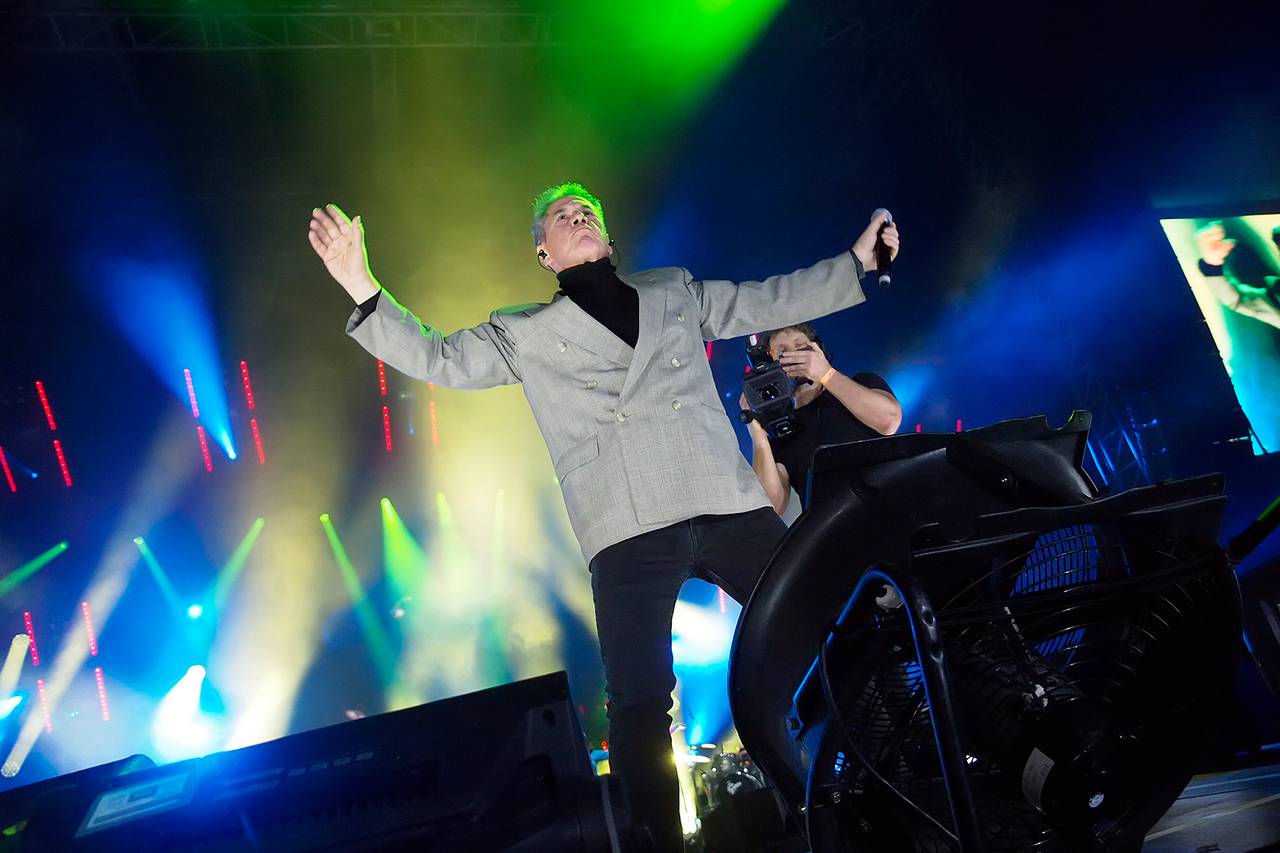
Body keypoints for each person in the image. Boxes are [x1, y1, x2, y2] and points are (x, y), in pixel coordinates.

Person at [307, 184, 900, 852]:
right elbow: (440, 357)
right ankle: (656, 842)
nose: (577, 216)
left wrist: (855, 263)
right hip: (625, 524)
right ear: (544, 252)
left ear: (609, 240)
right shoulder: (523, 330)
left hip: (722, 497)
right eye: (561, 216)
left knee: (826, 623)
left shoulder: (673, 289)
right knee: (639, 702)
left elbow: (766, 299)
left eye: (586, 210)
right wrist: (362, 286)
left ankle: (888, 781)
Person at [743, 324, 901, 515]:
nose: (794, 355)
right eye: (782, 352)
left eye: (801, 346)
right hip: (834, 526)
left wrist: (826, 374)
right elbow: (772, 506)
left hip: (889, 506)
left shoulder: (861, 383)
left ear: (818, 350)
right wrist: (757, 432)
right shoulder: (781, 431)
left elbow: (888, 420)